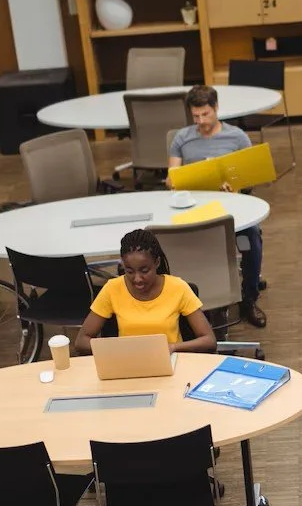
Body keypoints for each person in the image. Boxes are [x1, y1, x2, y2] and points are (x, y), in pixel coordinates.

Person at [167, 84, 267, 328]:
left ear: (216, 109)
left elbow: (251, 176)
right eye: (196, 116)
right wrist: (179, 180)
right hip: (194, 206)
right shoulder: (182, 138)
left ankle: (249, 298)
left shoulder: (237, 137)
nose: (201, 121)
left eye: (206, 114)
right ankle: (190, 302)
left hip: (231, 206)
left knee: (252, 239)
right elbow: (171, 179)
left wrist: (237, 185)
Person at [74, 229, 217, 355]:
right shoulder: (112, 289)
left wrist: (173, 347)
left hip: (172, 362)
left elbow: (209, 340)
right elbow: (81, 341)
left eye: (144, 271)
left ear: (157, 263)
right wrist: (115, 349)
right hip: (126, 363)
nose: (137, 279)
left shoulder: (178, 287)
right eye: (129, 271)